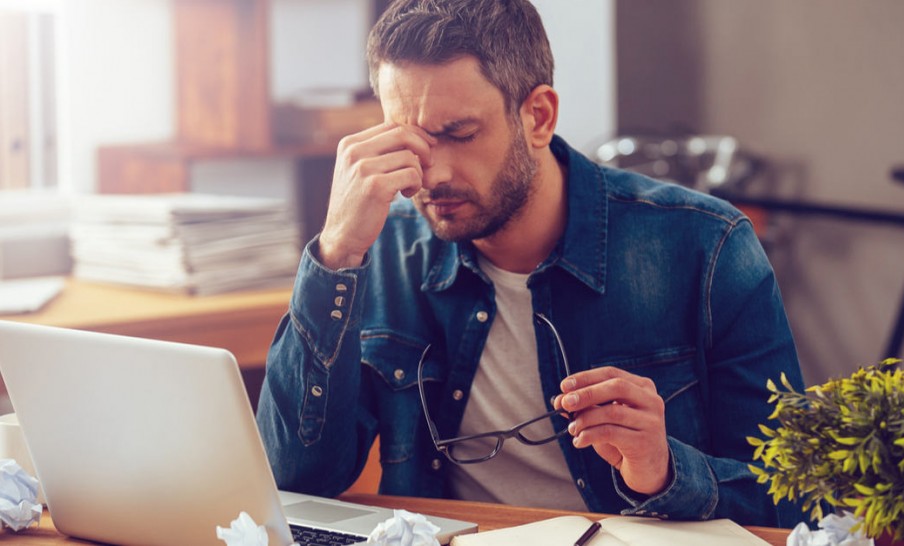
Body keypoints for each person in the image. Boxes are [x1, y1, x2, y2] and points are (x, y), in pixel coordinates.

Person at [256, 0, 804, 527]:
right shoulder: (379, 250)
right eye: (412, 140)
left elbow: (794, 502)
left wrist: (663, 470)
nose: (433, 173)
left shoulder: (707, 246)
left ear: (538, 117)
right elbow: (296, 482)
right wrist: (336, 254)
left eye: (460, 134)